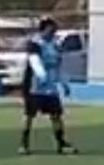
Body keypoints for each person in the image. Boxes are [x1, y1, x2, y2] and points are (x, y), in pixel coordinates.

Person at [19, 18, 77, 156]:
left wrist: (64, 83)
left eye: (54, 31)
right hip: (34, 87)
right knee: (29, 115)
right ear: (43, 30)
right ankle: (24, 144)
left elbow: (58, 66)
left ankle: (61, 143)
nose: (52, 34)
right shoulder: (34, 44)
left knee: (56, 115)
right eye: (50, 31)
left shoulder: (55, 46)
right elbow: (35, 62)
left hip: (50, 88)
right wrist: (42, 77)